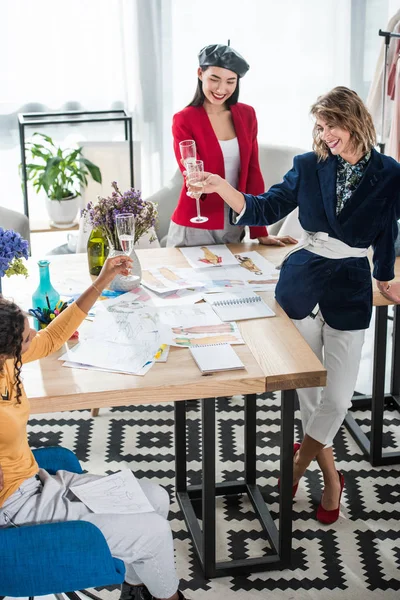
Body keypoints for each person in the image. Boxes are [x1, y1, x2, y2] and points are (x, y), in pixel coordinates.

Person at [189, 86, 400, 524]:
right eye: (319, 128)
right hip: (301, 281)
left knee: (338, 398)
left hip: (351, 285)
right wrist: (220, 186)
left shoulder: (390, 173)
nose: (324, 136)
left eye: (331, 126)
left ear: (353, 120)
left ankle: (298, 464)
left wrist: (384, 276)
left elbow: (386, 232)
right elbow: (262, 206)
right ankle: (331, 475)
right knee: (309, 390)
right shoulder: (308, 166)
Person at [0, 255, 188, 600]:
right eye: (26, 338)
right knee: (155, 532)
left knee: (156, 499)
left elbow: (53, 336)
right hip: (15, 509)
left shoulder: (9, 358)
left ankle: (135, 590)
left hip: (38, 482)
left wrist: (102, 281)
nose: (32, 338)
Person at [167, 43, 297, 248]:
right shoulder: (184, 119)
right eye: (214, 79)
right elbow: (191, 170)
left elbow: (253, 173)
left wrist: (259, 231)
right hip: (195, 224)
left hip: (234, 223)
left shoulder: (247, 115)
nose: (221, 89)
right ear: (200, 74)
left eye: (230, 81)